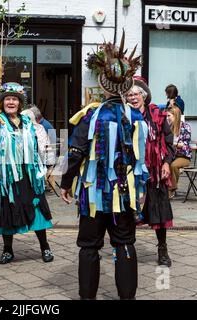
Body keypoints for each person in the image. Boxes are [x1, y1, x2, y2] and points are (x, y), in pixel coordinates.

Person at [60, 32, 148, 300]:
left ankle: (87, 297)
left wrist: (66, 183)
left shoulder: (91, 115)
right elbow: (142, 159)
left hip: (93, 194)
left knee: (89, 246)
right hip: (124, 192)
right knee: (124, 243)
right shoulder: (136, 117)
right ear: (125, 86)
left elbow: (76, 152)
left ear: (104, 86)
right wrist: (140, 189)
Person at [0, 82, 54, 264]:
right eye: (7, 99)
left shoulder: (28, 121)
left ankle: (45, 247)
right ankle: (7, 250)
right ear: (2, 102)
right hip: (6, 176)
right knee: (7, 210)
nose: (11, 102)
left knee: (37, 209)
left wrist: (43, 166)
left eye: (14, 99)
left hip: (28, 173)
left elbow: (37, 145)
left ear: (20, 103)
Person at [126, 77, 175, 267]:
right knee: (129, 212)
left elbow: (169, 143)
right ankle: (127, 250)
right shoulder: (124, 116)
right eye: (129, 94)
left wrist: (166, 163)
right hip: (132, 173)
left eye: (135, 93)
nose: (132, 97)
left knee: (159, 213)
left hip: (155, 172)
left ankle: (162, 249)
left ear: (144, 96)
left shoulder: (158, 115)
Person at [166, 105, 191, 198]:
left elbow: (184, 146)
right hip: (172, 155)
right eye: (166, 116)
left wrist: (174, 143)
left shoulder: (185, 127)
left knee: (173, 165)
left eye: (169, 116)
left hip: (183, 156)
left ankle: (171, 189)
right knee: (164, 165)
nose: (167, 118)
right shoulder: (168, 127)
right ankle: (163, 190)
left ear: (175, 116)